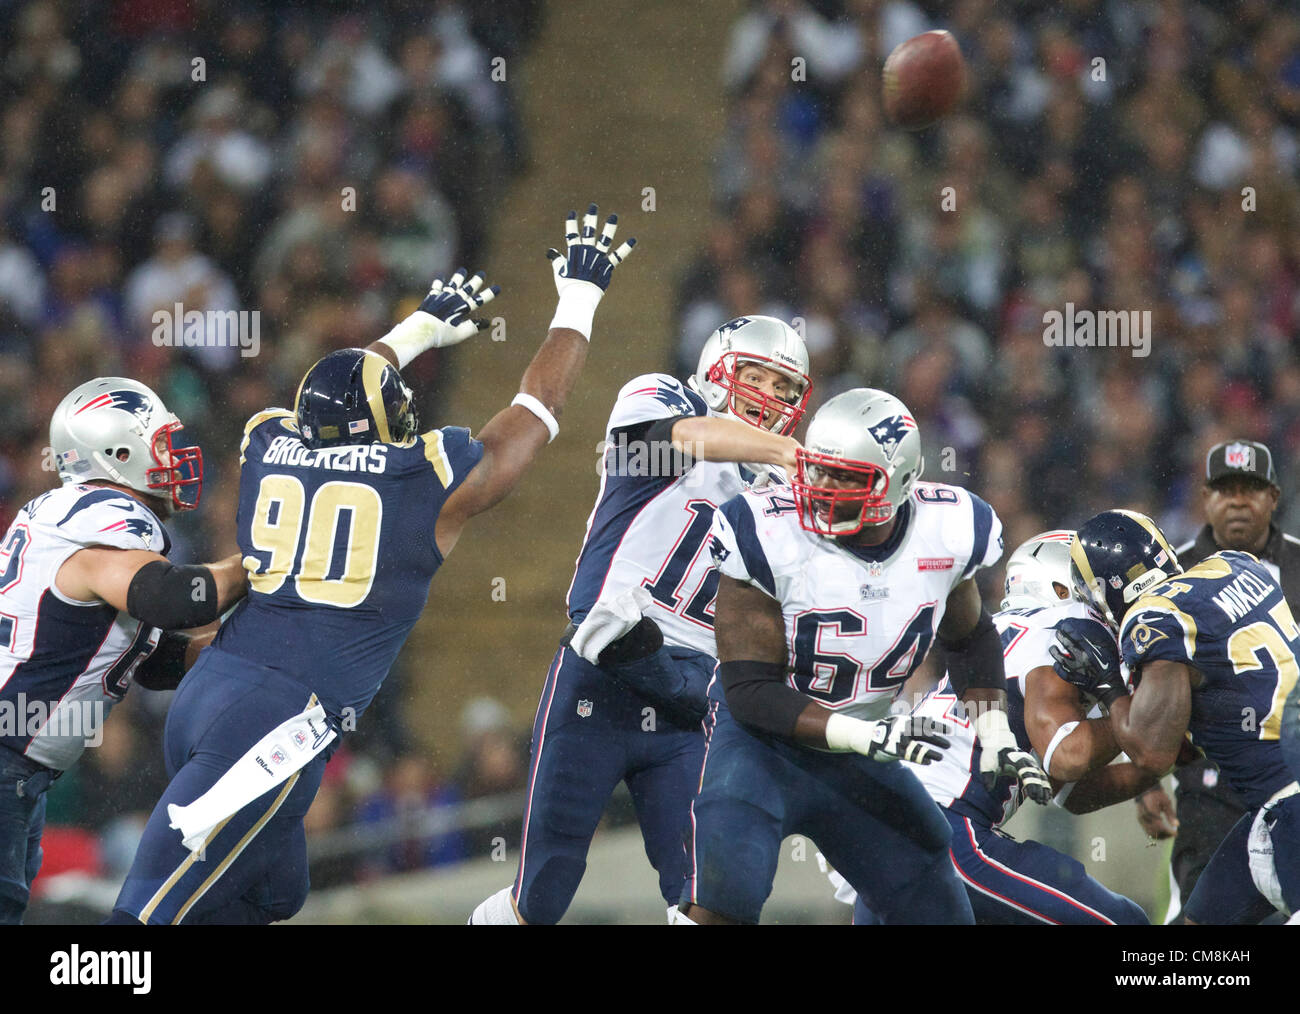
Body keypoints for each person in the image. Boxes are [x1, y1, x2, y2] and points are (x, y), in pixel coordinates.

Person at [107, 204, 636, 924]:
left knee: (270, 894)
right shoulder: (422, 479)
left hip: (212, 693)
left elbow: (327, 394)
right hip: (274, 727)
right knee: (143, 922)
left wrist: (414, 330)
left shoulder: (267, 443)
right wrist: (580, 296)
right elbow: (538, 405)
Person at [472, 313, 815, 925]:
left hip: (692, 699)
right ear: (717, 369)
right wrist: (789, 453)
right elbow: (679, 436)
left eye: (787, 390)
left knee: (702, 894)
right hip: (603, 671)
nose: (772, 399)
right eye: (758, 377)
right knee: (545, 885)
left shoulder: (788, 498)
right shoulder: (661, 398)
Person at [675, 388, 1051, 925]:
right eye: (818, 469)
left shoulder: (945, 530)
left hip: (861, 747)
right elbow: (750, 691)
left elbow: (969, 638)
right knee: (725, 900)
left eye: (846, 476)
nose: (823, 488)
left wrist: (992, 731)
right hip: (760, 745)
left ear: (899, 480)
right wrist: (866, 736)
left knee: (935, 901)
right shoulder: (764, 528)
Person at [0, 378, 246, 922]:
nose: (174, 460)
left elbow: (149, 660)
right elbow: (175, 597)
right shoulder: (109, 517)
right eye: (159, 444)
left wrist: (238, 650)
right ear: (116, 455)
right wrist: (258, 562)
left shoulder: (69, 513)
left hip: (22, 767)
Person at [869, 530, 1147, 924]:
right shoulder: (1066, 627)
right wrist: (1150, 719)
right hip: (945, 828)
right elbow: (1069, 755)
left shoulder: (1004, 633)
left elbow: (1071, 791)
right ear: (1060, 584)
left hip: (885, 827)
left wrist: (1155, 761)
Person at [1055, 508, 1300, 924]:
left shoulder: (1153, 616)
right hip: (1269, 805)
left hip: (1288, 805)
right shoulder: (1236, 562)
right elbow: (1201, 725)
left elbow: (1153, 754)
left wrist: (1107, 685)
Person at [1133, 439, 1300, 921]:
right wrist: (1144, 783)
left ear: (1274, 496)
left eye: (1251, 488)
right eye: (1226, 489)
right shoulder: (1168, 577)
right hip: (1208, 785)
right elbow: (1142, 693)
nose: (1238, 500)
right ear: (1205, 498)